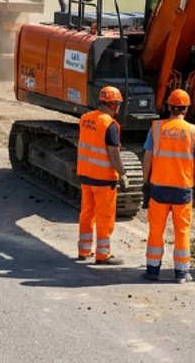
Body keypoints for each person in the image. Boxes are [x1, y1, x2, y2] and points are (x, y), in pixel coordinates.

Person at [142, 89, 195, 282]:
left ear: (169, 107)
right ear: (185, 110)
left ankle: (152, 270)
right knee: (182, 231)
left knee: (156, 230)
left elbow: (147, 158)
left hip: (159, 188)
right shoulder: (192, 132)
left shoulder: (157, 129)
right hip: (183, 191)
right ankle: (181, 273)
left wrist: (146, 182)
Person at [78, 86, 130, 264]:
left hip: (86, 176)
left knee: (87, 213)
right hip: (103, 180)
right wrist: (122, 174)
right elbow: (113, 153)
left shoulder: (85, 119)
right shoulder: (110, 125)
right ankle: (103, 254)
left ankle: (84, 250)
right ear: (114, 105)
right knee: (104, 217)